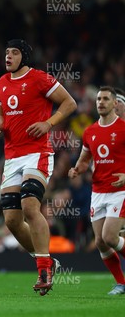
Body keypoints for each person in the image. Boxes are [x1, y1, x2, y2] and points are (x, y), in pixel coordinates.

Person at [0, 39, 77, 296]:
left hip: (37, 153)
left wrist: (48, 124)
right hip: (12, 156)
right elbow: (2, 113)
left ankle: (43, 269)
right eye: (6, 52)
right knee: (12, 220)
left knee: (30, 206)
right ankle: (47, 260)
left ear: (24, 57)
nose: (8, 56)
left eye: (14, 52)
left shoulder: (39, 79)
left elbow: (69, 103)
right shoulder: (2, 82)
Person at [68, 86, 125, 295]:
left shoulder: (123, 128)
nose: (101, 102)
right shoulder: (90, 132)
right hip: (98, 191)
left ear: (114, 103)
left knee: (110, 237)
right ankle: (121, 282)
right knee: (100, 242)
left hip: (120, 190)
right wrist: (76, 170)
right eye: (99, 99)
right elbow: (84, 160)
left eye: (105, 99)